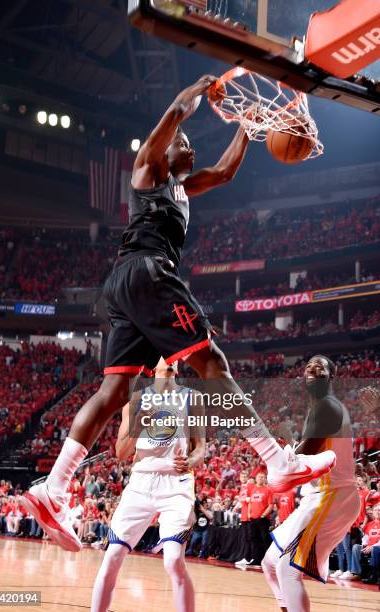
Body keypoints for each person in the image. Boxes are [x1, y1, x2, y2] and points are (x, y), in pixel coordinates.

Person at [22, 75, 336, 552]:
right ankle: (276, 460)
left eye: (187, 144)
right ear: (167, 152)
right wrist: (193, 93)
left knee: (114, 392)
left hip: (127, 288)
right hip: (147, 272)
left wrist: (247, 125)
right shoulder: (147, 172)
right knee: (212, 364)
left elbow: (227, 172)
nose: (187, 147)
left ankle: (54, 488)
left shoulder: (185, 187)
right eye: (182, 143)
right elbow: (172, 115)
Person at [90, 358, 204, 612]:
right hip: (142, 481)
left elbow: (201, 449)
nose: (172, 358)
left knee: (173, 561)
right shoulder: (136, 400)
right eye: (166, 356)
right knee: (112, 557)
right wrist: (139, 422)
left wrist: (191, 460)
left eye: (175, 357)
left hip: (176, 483)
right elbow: (121, 452)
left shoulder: (192, 397)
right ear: (154, 367)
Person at [262, 355, 361, 612]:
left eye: (321, 365)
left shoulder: (327, 406)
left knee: (287, 567)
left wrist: (280, 458)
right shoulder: (320, 408)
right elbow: (304, 456)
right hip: (319, 496)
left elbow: (300, 462)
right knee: (270, 563)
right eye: (309, 365)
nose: (313, 367)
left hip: (333, 495)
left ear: (332, 376)